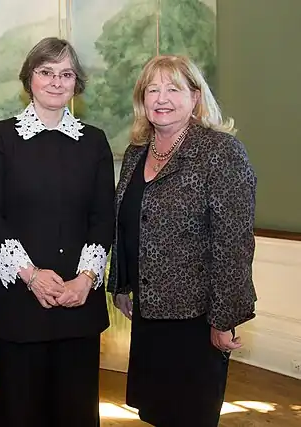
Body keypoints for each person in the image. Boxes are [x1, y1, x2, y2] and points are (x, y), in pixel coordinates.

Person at [107, 55, 257, 427]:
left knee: (190, 415)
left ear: (195, 97)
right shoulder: (136, 153)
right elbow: (127, 222)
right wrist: (122, 283)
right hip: (148, 316)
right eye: (152, 90)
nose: (161, 98)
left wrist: (223, 319)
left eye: (173, 89)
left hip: (197, 321)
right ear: (142, 100)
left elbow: (234, 244)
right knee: (158, 413)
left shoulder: (220, 153)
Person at [0, 36, 115, 427]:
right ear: (29, 79)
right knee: (15, 412)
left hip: (77, 304)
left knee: (74, 412)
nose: (56, 81)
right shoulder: (1, 137)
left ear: (76, 83)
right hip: (17, 305)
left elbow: (103, 218)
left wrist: (85, 280)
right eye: (46, 72)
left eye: (66, 74)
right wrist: (32, 276)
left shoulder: (95, 142)